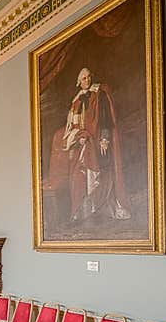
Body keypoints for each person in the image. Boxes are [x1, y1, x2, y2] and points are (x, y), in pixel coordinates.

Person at [46, 67, 129, 224]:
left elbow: (105, 118)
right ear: (79, 82)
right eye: (84, 78)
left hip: (98, 141)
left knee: (102, 174)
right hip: (83, 143)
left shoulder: (100, 94)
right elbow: (74, 125)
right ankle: (85, 212)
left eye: (89, 77)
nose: (87, 80)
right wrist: (78, 138)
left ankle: (103, 209)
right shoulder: (76, 101)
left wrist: (104, 139)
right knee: (79, 176)